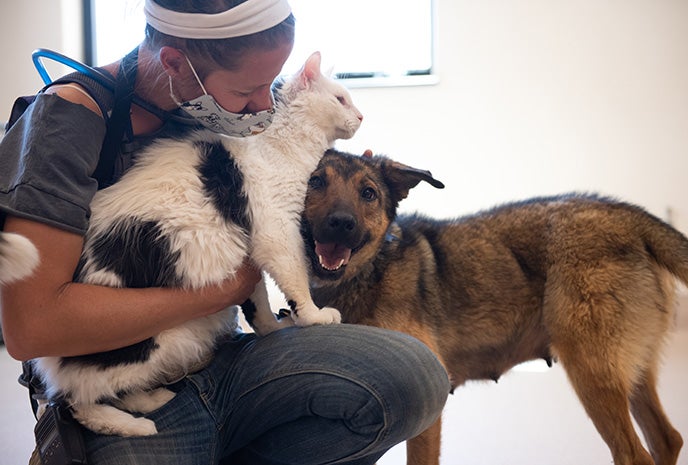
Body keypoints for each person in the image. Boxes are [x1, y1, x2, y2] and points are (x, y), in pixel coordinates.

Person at [0, 1, 450, 464]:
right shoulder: (68, 120)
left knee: (415, 376)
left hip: (224, 352)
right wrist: (225, 290)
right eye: (248, 90)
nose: (266, 105)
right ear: (175, 62)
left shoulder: (231, 104)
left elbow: (270, 200)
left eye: (273, 85)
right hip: (120, 368)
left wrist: (333, 174)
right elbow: (32, 327)